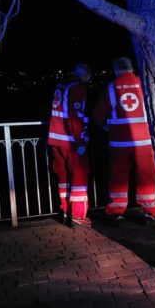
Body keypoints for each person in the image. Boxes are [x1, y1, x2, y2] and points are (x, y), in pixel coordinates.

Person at [92, 57, 155, 220]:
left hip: (119, 142)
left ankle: (116, 212)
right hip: (143, 141)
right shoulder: (144, 85)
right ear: (132, 69)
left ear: (115, 70)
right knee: (146, 175)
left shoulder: (111, 87)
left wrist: (105, 126)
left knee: (118, 176)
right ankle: (149, 211)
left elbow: (97, 115)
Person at [48, 63, 92, 226]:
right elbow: (75, 117)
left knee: (63, 177)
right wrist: (80, 141)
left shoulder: (62, 84)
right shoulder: (78, 88)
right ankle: (78, 215)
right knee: (79, 176)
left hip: (56, 138)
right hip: (70, 141)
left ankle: (65, 209)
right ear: (87, 76)